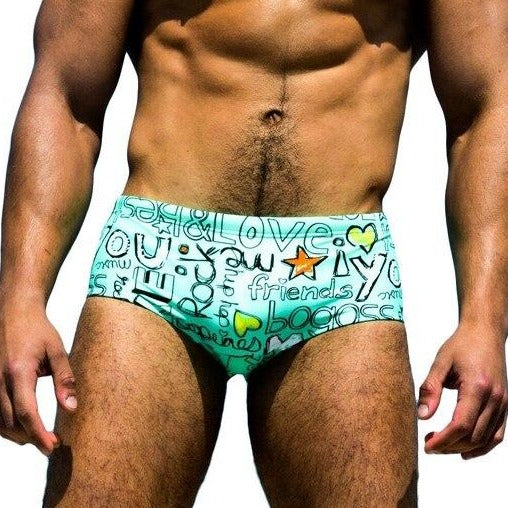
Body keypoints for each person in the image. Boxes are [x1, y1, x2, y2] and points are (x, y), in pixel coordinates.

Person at [0, 0, 506, 506]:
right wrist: (20, 298)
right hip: (156, 260)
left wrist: (484, 320)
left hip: (340, 271)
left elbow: (484, 106)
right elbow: (66, 94)